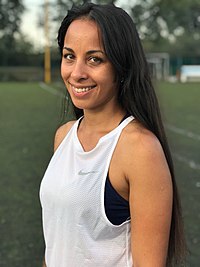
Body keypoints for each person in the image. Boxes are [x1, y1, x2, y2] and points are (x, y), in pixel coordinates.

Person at [40, 3, 187, 267]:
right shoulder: (63, 136)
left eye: (95, 59)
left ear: (121, 66)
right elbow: (56, 242)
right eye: (69, 56)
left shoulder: (139, 149)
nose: (77, 73)